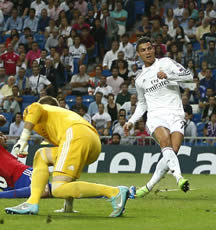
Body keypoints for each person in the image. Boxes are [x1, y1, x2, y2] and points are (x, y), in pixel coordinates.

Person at [5, 96, 129, 217]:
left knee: (58, 189)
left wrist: (23, 140)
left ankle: (115, 192)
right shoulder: (62, 119)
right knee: (42, 155)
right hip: (91, 140)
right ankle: (34, 203)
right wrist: (68, 205)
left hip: (76, 134)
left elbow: (36, 107)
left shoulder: (40, 108)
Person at [124, 37, 192, 198]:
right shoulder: (140, 79)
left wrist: (169, 76)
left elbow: (188, 76)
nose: (147, 52)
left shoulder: (167, 63)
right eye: (143, 50)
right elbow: (142, 104)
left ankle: (148, 187)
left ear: (154, 49)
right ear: (138, 54)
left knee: (173, 151)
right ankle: (179, 178)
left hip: (176, 114)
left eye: (149, 48)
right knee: (165, 143)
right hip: (156, 116)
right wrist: (131, 121)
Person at [0, 132, 51, 199]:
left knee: (47, 189)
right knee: (50, 189)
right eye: (1, 136)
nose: (6, 138)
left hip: (24, 176)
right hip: (18, 181)